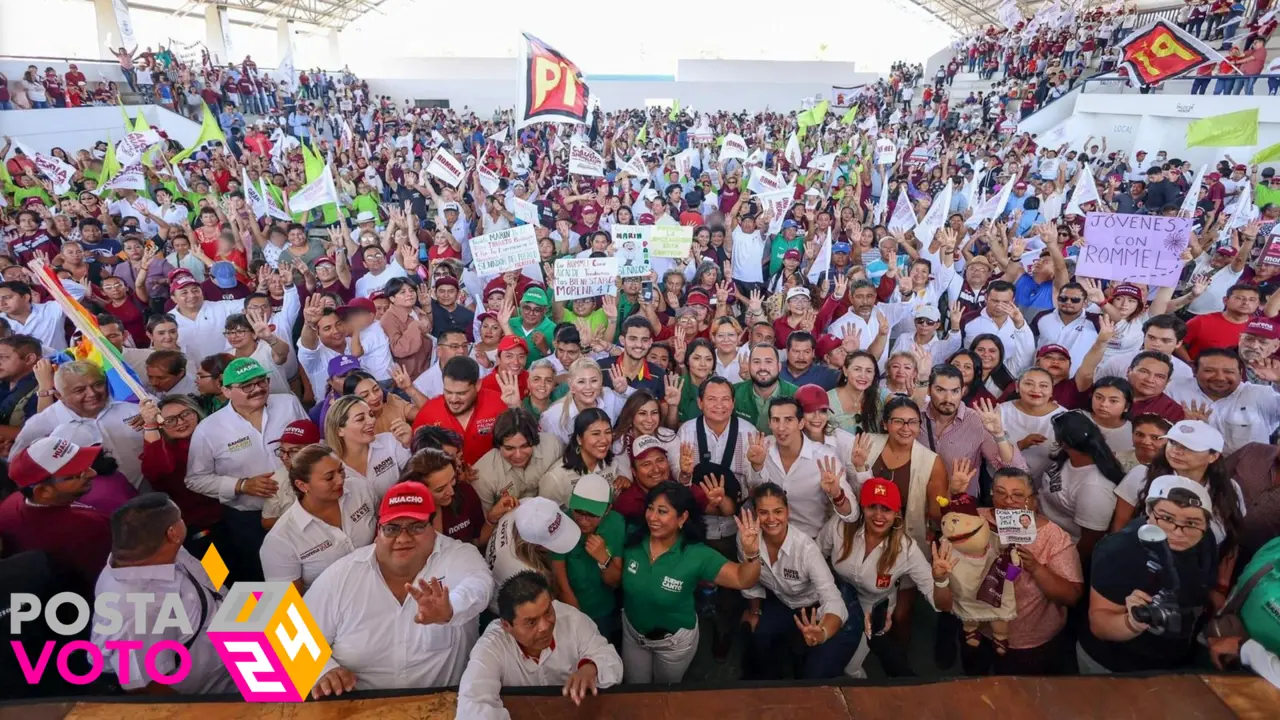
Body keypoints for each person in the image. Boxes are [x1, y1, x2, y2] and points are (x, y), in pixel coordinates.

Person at [307, 481, 494, 696]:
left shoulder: (459, 556)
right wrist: (323, 670)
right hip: (358, 708)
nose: (403, 538)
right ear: (379, 530)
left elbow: (480, 586)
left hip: (443, 705)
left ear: (433, 526)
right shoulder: (342, 575)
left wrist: (450, 609)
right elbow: (287, 639)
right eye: (392, 528)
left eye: (416, 527)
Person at [90, 493, 237, 694]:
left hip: (236, 642)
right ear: (173, 532)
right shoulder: (134, 612)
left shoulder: (157, 550)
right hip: (216, 689)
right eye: (180, 518)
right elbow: (148, 689)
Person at [619, 481, 762, 683]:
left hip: (672, 644)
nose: (652, 517)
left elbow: (743, 579)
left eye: (662, 511)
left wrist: (752, 554)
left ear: (682, 518)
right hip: (633, 636)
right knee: (635, 690)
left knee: (664, 695)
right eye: (650, 509)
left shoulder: (697, 555)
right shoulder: (633, 541)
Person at [1079, 475, 1219, 674]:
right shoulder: (1118, 549)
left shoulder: (1205, 540)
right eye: (1167, 519)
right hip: (1115, 666)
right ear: (1149, 512)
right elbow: (1100, 623)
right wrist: (1133, 622)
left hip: (1174, 662)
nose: (1177, 532)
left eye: (1191, 523)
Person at [186, 358, 306, 583]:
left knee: (308, 568)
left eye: (262, 381)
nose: (258, 389)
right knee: (265, 578)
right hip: (250, 520)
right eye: (247, 386)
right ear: (226, 390)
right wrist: (241, 485)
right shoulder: (209, 430)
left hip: (301, 505)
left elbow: (312, 443)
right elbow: (195, 479)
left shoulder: (288, 404)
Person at [821, 477, 955, 678]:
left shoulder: (906, 549)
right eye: (872, 507)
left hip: (872, 607)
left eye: (886, 509)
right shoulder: (839, 527)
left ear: (896, 513)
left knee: (849, 667)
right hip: (837, 596)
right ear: (862, 507)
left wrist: (940, 580)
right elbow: (815, 557)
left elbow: (942, 605)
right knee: (823, 653)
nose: (878, 515)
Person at [960, 466, 1084, 675]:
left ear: (1033, 500)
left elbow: (1071, 596)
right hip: (978, 628)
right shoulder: (977, 518)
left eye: (1018, 495)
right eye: (1000, 493)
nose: (1008, 501)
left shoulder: (1054, 537)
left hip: (1028, 641)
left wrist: (1035, 568)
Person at [457, 571, 623, 718]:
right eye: (531, 622)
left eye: (548, 612)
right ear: (506, 626)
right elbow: (473, 704)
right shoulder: (492, 645)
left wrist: (591, 668)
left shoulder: (572, 620)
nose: (545, 627)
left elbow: (611, 661)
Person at [741, 483, 862, 680]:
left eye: (778, 511)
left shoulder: (806, 549)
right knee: (759, 640)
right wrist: (755, 611)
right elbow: (750, 579)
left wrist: (822, 632)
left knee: (815, 674)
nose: (771, 519)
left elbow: (833, 600)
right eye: (763, 512)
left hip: (816, 607)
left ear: (788, 512)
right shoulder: (747, 540)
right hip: (785, 602)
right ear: (755, 514)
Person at [259, 444, 379, 592]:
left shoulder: (360, 488)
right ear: (302, 486)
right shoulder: (280, 540)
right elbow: (289, 605)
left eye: (341, 470)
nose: (340, 480)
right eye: (329, 477)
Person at [0, 436, 112, 595]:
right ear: (43, 491)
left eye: (86, 465)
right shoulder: (88, 528)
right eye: (77, 474)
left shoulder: (12, 502)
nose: (92, 473)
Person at [1111, 420, 1244, 552]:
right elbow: (1119, 529)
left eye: (1190, 447)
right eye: (1173, 442)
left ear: (1213, 456)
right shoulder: (1141, 475)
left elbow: (1230, 545)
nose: (1176, 451)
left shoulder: (1230, 489)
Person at [12, 361, 145, 490]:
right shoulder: (40, 425)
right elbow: (17, 470)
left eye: (98, 384)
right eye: (79, 390)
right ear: (59, 395)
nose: (92, 393)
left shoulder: (134, 410)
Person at [745, 397, 859, 539]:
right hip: (767, 539)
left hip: (811, 542)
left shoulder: (824, 458)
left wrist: (837, 495)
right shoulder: (761, 447)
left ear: (801, 423)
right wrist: (757, 466)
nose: (781, 427)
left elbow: (851, 515)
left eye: (788, 420)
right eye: (776, 420)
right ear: (769, 423)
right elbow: (754, 492)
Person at [138, 395, 224, 558]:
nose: (180, 422)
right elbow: (155, 471)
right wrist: (150, 426)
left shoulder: (217, 436)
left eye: (185, 414)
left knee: (252, 571)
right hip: (200, 531)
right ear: (161, 425)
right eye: (170, 420)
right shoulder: (162, 451)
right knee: (218, 580)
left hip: (235, 519)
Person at [549, 474, 625, 640]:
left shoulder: (616, 524)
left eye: (591, 515)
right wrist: (575, 615)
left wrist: (604, 559)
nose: (583, 521)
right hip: (570, 606)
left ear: (607, 509)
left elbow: (615, 581)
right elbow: (559, 574)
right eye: (578, 512)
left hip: (603, 608)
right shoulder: (563, 521)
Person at [413, 356, 508, 466]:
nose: (454, 399)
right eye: (448, 392)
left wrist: (516, 406)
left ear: (478, 385)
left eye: (461, 393)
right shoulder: (429, 412)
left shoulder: (499, 403)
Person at [473, 408, 566, 515]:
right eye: (509, 448)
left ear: (535, 440)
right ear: (498, 446)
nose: (518, 455)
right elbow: (486, 522)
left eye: (525, 446)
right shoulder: (482, 475)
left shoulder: (554, 446)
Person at [324, 395, 411, 495]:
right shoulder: (329, 466)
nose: (372, 421)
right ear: (339, 430)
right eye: (360, 419)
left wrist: (408, 444)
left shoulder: (390, 440)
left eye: (371, 414)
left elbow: (416, 475)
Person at [539, 357, 633, 445]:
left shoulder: (610, 397)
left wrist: (625, 390)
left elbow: (642, 403)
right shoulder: (553, 417)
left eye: (594, 381)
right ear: (571, 385)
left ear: (601, 382)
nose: (588, 387)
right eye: (581, 382)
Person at [539, 408, 622, 506]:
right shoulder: (556, 478)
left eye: (608, 432)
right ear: (579, 439)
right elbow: (545, 515)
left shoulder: (612, 464)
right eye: (596, 434)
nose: (604, 440)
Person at [734, 343, 798, 431]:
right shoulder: (734, 392)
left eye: (768, 361)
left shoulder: (796, 394)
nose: (762, 367)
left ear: (779, 367)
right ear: (749, 366)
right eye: (756, 362)